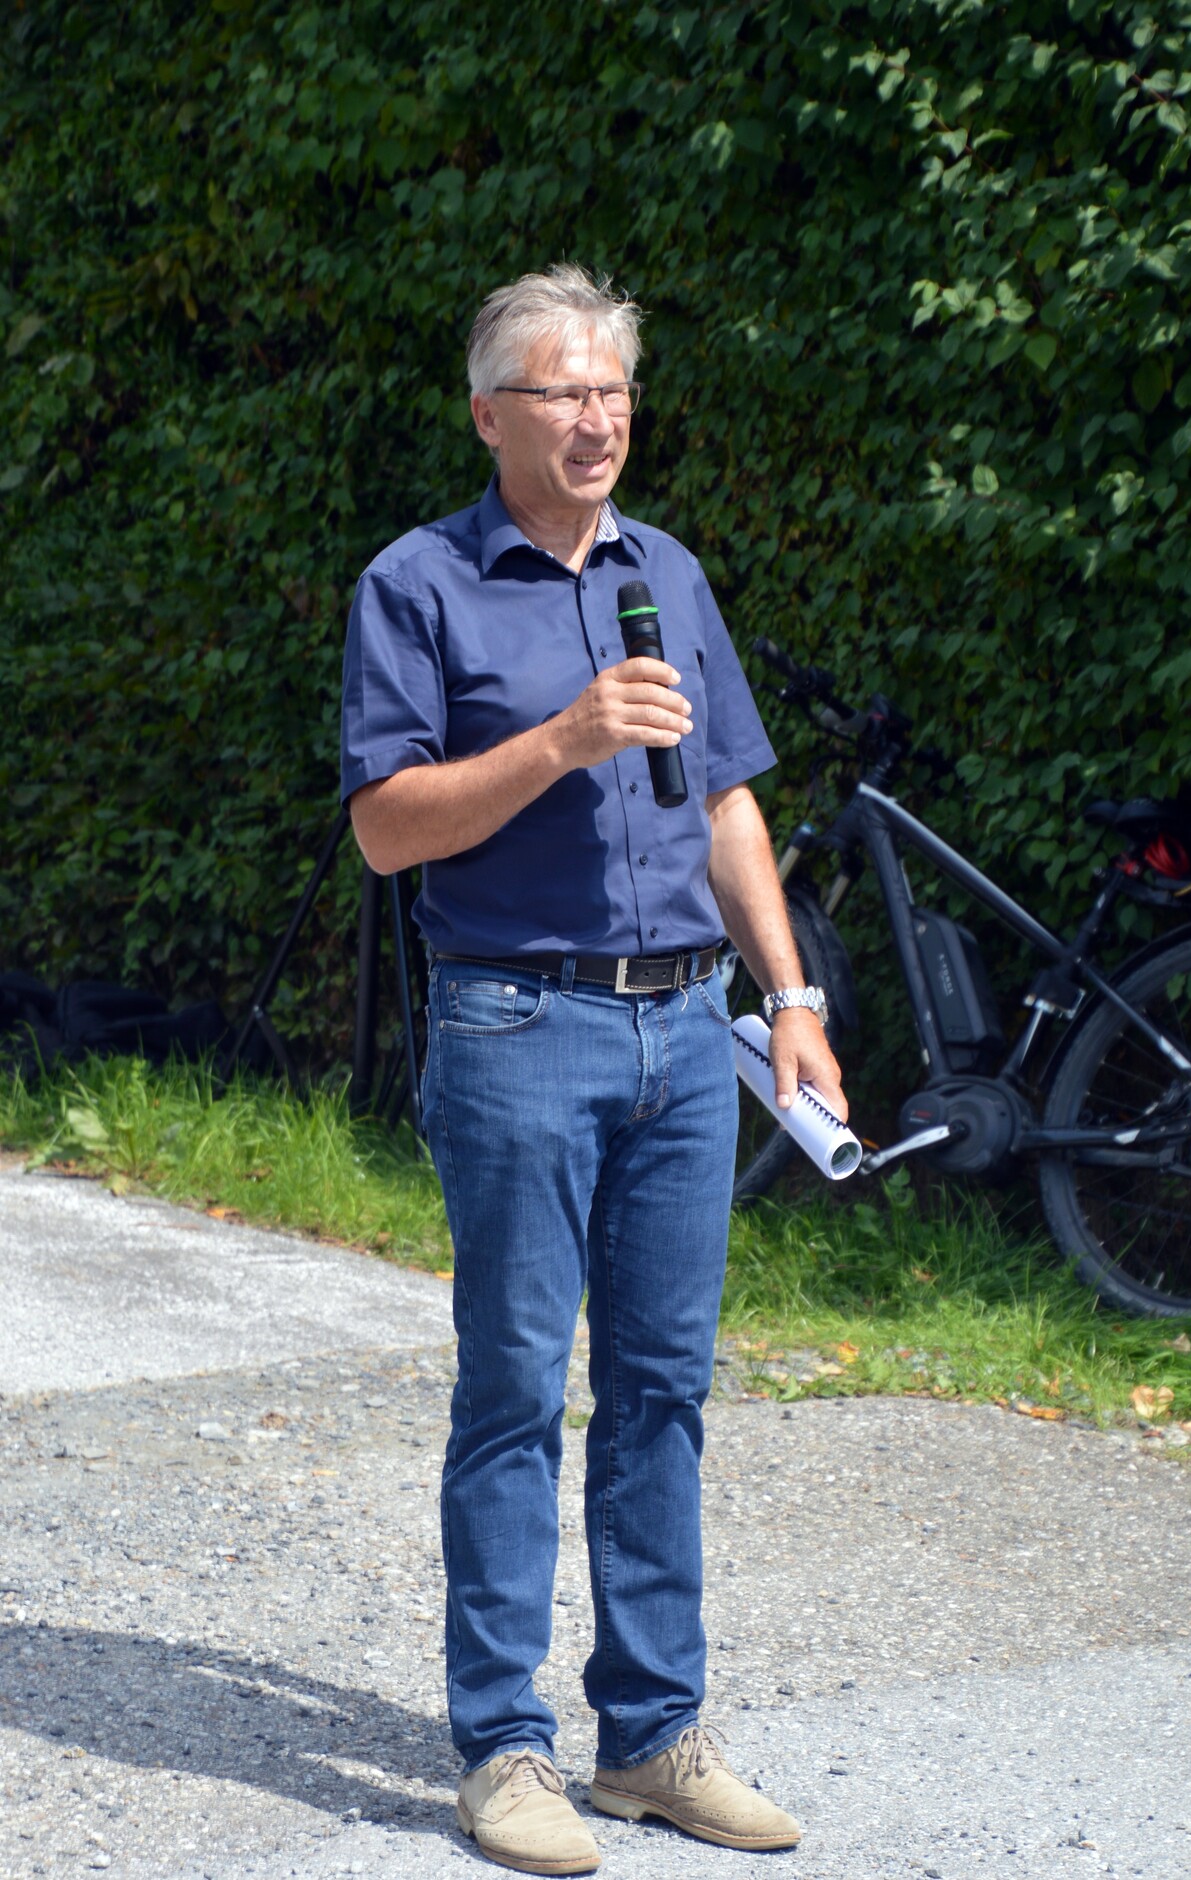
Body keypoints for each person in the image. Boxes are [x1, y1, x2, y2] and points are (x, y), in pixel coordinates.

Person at [341, 263, 847, 1876]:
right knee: (510, 1394)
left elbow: (725, 807)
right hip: (514, 1025)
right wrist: (560, 739)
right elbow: (382, 829)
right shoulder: (417, 586)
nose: (597, 418)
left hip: (688, 1031)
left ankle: (648, 1740)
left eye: (614, 391)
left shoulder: (668, 574)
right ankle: (503, 1749)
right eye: (563, 393)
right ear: (492, 414)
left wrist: (792, 995)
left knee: (661, 1393)